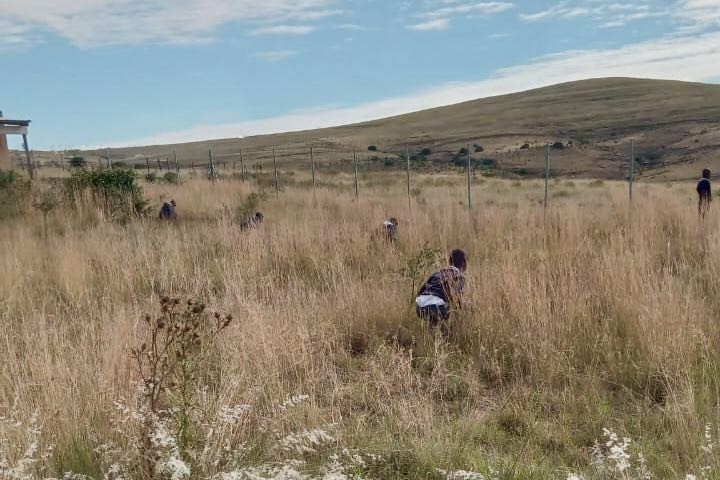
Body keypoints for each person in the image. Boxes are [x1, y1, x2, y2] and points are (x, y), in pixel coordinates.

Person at [415, 249, 467, 336]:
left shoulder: (438, 273)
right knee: (463, 308)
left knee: (434, 321)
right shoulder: (459, 276)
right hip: (436, 307)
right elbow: (458, 300)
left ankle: (433, 337)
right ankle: (447, 336)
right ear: (464, 263)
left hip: (420, 307)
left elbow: (420, 291)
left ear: (450, 262)